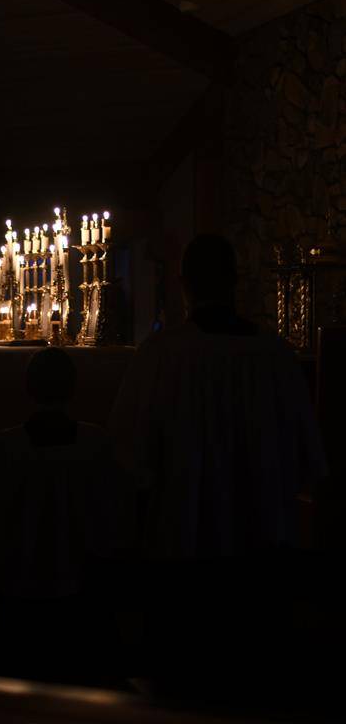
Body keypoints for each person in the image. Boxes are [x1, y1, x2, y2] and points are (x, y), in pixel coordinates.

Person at [109, 233, 327, 697]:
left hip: (184, 542)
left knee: (186, 682)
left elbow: (127, 452)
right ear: (235, 281)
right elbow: (307, 449)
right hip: (261, 542)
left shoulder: (162, 355)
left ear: (184, 284)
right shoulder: (273, 353)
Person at [0, 347, 135, 681]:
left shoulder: (1, 447)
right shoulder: (98, 443)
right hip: (84, 582)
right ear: (74, 388)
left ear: (28, 387)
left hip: (22, 582)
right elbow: (115, 511)